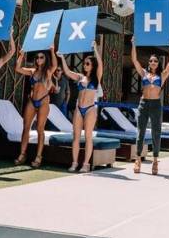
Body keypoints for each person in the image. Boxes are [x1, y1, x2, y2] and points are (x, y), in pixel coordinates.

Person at [131, 37, 169, 175]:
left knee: (157, 133)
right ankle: (137, 159)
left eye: (155, 61)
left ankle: (155, 161)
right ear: (149, 63)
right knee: (140, 133)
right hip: (144, 104)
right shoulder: (144, 73)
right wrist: (133, 44)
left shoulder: (162, 76)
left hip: (156, 104)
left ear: (158, 63)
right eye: (151, 61)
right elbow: (134, 60)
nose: (153, 62)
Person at [59, 38, 104, 172]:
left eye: (88, 63)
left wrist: (95, 49)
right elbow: (67, 72)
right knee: (76, 136)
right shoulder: (80, 77)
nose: (85, 65)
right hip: (79, 108)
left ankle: (85, 164)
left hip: (90, 109)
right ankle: (74, 163)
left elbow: (101, 64)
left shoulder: (96, 78)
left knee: (88, 136)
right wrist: (62, 57)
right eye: (84, 63)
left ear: (92, 65)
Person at [14, 45, 57, 167]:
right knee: (26, 127)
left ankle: (38, 156)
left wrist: (52, 51)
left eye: (41, 57)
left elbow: (54, 65)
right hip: (32, 101)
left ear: (45, 58)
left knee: (40, 129)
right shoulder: (33, 71)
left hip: (43, 101)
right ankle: (22, 154)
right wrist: (21, 55)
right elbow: (17, 68)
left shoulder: (48, 71)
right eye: (37, 57)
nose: (38, 59)